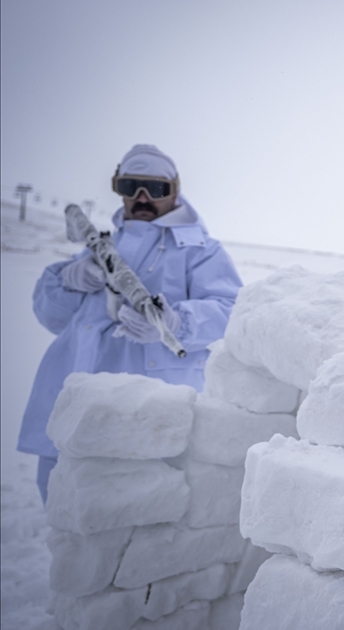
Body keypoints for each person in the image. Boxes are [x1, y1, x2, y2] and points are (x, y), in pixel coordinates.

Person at [18, 144, 243, 503]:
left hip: (146, 410)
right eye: (130, 187)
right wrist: (68, 280)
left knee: (138, 517)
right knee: (65, 514)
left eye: (154, 189)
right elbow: (52, 318)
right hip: (72, 400)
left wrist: (175, 323)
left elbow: (232, 311)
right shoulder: (101, 246)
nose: (142, 198)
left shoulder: (200, 250)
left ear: (174, 191)